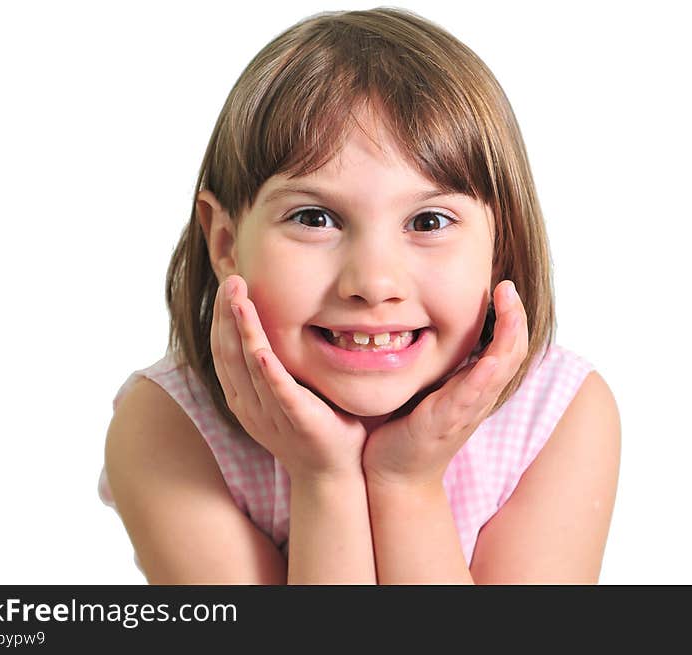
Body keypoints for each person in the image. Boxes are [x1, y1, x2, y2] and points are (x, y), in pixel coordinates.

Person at [98, 7, 620, 584]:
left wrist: (407, 483)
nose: (373, 284)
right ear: (225, 242)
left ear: (500, 243)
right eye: (315, 218)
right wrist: (323, 479)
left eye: (427, 222)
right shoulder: (169, 426)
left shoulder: (557, 415)